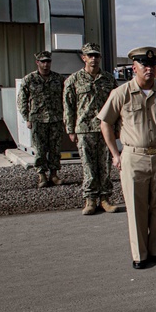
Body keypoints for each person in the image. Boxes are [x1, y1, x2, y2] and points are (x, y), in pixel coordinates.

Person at [98, 47, 156, 269]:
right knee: (136, 207)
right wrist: (115, 154)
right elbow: (105, 122)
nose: (149, 69)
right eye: (144, 65)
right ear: (133, 68)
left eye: (152, 65)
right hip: (134, 157)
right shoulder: (122, 93)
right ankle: (140, 254)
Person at [63, 43, 118, 215]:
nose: (93, 58)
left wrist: (118, 127)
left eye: (96, 55)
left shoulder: (109, 79)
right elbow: (68, 106)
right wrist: (70, 129)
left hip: (105, 129)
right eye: (90, 55)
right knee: (88, 166)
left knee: (105, 165)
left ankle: (105, 198)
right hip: (84, 129)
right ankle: (90, 199)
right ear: (83, 57)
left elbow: (117, 106)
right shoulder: (73, 80)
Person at [17, 50, 65, 188]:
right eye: (43, 61)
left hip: (55, 119)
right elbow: (22, 100)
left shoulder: (59, 79)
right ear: (37, 62)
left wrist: (66, 117)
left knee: (55, 148)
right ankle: (42, 175)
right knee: (40, 149)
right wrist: (27, 117)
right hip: (38, 119)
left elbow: (66, 99)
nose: (46, 64)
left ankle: (54, 174)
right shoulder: (29, 79)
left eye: (48, 61)